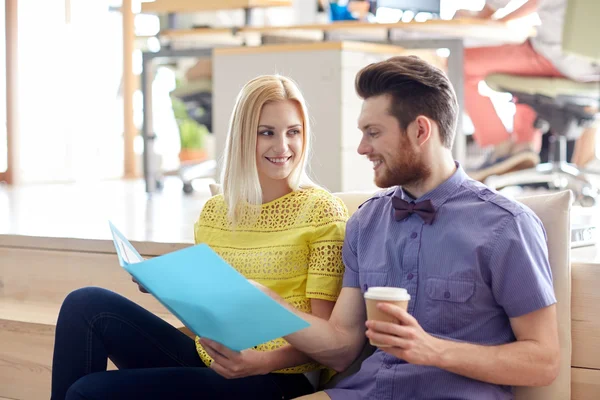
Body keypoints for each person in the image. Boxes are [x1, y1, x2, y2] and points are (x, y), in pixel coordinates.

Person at [244, 56, 559, 399]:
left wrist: (433, 350)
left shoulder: (506, 226)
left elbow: (543, 361)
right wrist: (268, 304)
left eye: (374, 133)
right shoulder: (366, 223)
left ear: (421, 130)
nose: (363, 148)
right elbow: (341, 348)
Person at [50, 75, 349, 400]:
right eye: (267, 132)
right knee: (85, 303)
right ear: (242, 137)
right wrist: (169, 284)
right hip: (213, 358)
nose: (282, 146)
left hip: (278, 376)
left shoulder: (322, 212)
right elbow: (211, 309)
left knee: (87, 392)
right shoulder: (215, 213)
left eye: (293, 132)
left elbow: (327, 340)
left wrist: (259, 362)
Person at [455, 0, 600, 181]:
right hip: (591, 70)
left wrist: (486, 15)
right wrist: (504, 19)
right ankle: (524, 146)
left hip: (555, 58)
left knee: (458, 61)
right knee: (523, 68)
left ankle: (499, 144)